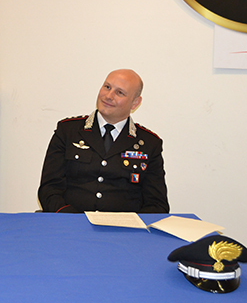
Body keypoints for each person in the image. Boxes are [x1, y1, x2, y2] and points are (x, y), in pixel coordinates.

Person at [38, 69, 169, 213]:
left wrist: (130, 228)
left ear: (135, 103)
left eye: (120, 93)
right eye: (107, 87)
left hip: (122, 231)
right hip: (71, 225)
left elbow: (157, 204)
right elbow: (49, 189)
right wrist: (73, 221)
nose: (108, 96)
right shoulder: (68, 131)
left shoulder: (149, 144)